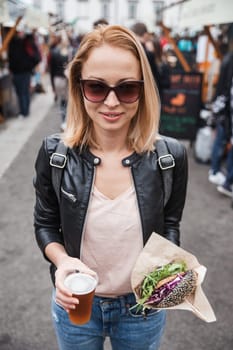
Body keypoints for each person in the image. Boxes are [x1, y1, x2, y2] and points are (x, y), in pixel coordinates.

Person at [33, 25, 188, 350]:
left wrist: (167, 267)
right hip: (76, 303)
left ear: (143, 90)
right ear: (79, 87)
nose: (112, 102)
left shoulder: (170, 157)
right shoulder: (54, 154)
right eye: (96, 87)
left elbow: (170, 223)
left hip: (142, 309)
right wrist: (62, 262)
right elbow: (46, 224)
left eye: (128, 88)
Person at [208, 27, 233, 187]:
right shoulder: (230, 59)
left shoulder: (227, 58)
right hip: (225, 107)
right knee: (221, 139)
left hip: (222, 105)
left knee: (220, 139)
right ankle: (215, 170)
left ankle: (215, 170)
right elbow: (226, 87)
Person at [8, 30, 41, 118]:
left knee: (22, 93)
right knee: (25, 92)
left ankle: (24, 112)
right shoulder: (25, 43)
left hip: (20, 72)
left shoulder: (17, 44)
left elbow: (35, 58)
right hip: (24, 72)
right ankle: (26, 111)